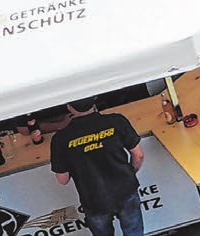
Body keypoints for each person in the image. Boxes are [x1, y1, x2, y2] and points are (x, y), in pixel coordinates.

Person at [49, 97, 145, 236]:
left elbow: (62, 180)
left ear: (69, 107)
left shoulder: (60, 139)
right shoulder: (116, 121)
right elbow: (139, 155)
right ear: (94, 99)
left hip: (94, 200)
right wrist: (129, 173)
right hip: (125, 190)